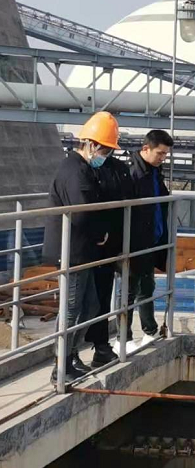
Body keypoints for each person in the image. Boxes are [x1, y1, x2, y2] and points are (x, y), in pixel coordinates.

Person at [42, 112, 120, 383]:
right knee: (72, 308)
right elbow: (82, 212)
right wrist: (101, 233)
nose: (106, 156)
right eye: (105, 150)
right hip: (72, 252)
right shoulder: (74, 171)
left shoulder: (83, 169)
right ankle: (61, 366)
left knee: (89, 306)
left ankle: (71, 356)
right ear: (91, 144)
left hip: (82, 251)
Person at [124, 130, 174, 351]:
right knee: (129, 290)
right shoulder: (134, 174)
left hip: (150, 241)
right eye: (160, 153)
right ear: (146, 149)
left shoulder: (153, 172)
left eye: (165, 154)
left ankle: (149, 331)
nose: (163, 158)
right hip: (135, 242)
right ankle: (124, 339)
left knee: (146, 287)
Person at [87, 149, 134, 367]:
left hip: (108, 245)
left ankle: (100, 347)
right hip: (88, 246)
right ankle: (69, 355)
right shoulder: (80, 169)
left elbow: (127, 203)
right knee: (79, 302)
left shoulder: (119, 169)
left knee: (101, 297)